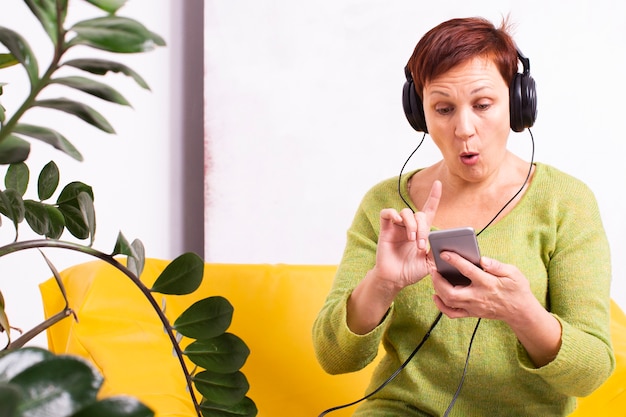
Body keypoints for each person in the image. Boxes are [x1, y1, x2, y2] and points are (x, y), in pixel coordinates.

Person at [312, 16, 614, 417]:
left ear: (518, 103)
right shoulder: (387, 205)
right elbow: (335, 358)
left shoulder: (566, 202)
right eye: (443, 109)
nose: (464, 128)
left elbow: (590, 374)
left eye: (483, 104)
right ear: (420, 115)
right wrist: (382, 284)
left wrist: (521, 312)